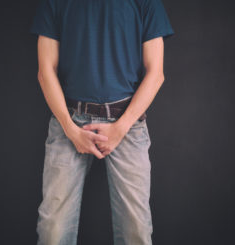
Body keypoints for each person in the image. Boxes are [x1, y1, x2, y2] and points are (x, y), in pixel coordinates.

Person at [29, 0, 174, 244]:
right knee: (53, 230)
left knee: (135, 231)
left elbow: (156, 73)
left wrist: (121, 127)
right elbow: (45, 71)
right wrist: (71, 130)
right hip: (70, 122)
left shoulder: (146, 2)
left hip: (127, 123)